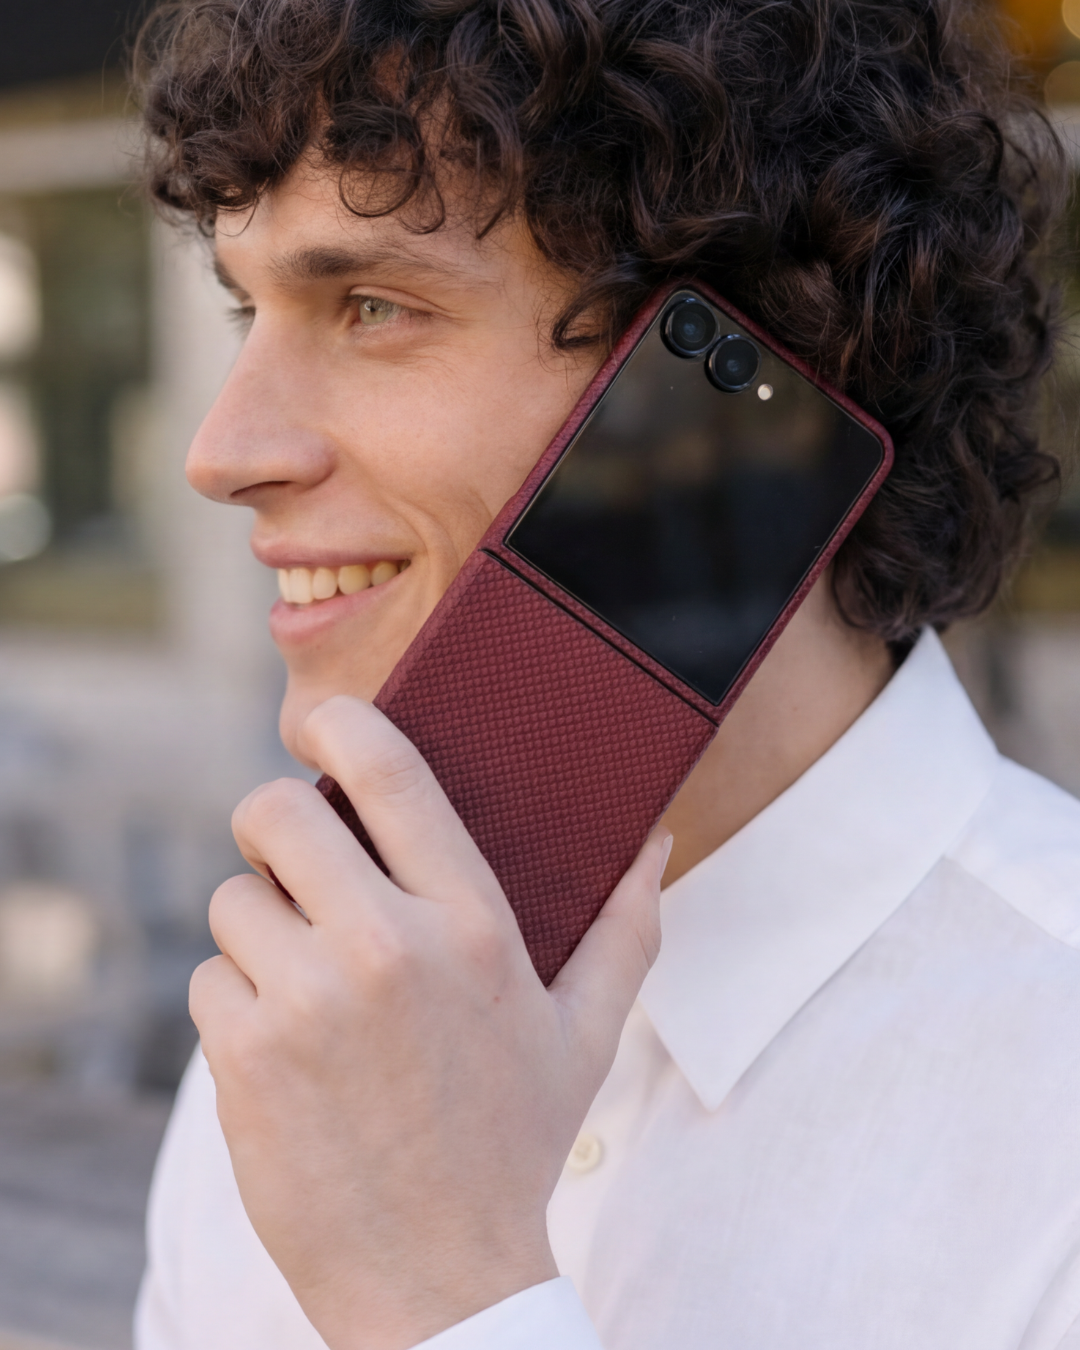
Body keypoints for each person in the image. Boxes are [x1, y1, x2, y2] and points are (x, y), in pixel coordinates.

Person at [132, 0, 1080, 1346]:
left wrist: (444, 1293)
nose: (221, 451)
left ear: (750, 390)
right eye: (248, 308)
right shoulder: (311, 1006)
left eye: (373, 305)